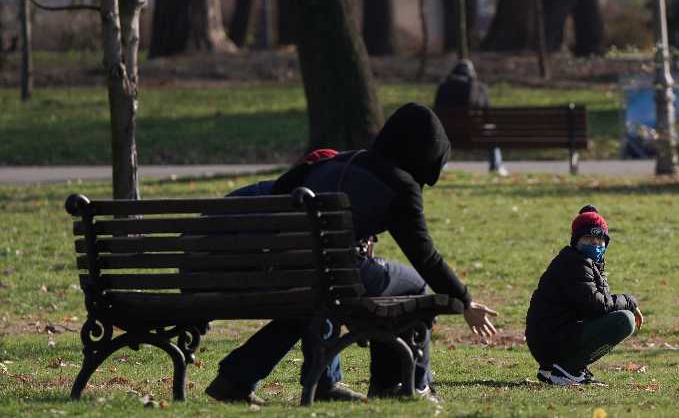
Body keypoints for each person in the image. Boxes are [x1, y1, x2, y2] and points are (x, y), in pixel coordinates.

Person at [205, 104, 499, 404]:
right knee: (413, 286)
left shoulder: (339, 162)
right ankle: (404, 384)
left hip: (287, 267)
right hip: (330, 273)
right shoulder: (400, 186)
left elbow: (283, 189)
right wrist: (464, 301)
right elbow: (424, 256)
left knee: (312, 302)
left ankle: (238, 380)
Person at [524, 205, 643, 386]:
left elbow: (594, 308)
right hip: (551, 340)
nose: (595, 244)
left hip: (550, 339)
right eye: (588, 238)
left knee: (617, 317)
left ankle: (558, 368)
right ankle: (568, 370)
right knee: (624, 320)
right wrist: (630, 302)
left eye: (600, 239)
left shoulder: (587, 263)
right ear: (576, 240)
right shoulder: (575, 264)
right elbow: (598, 305)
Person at [434, 60, 507, 175]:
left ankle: (440, 166)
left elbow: (437, 111)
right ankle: (496, 165)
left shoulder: (444, 87)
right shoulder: (480, 88)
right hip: (475, 133)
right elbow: (487, 115)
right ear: (472, 72)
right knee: (491, 131)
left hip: (448, 134)